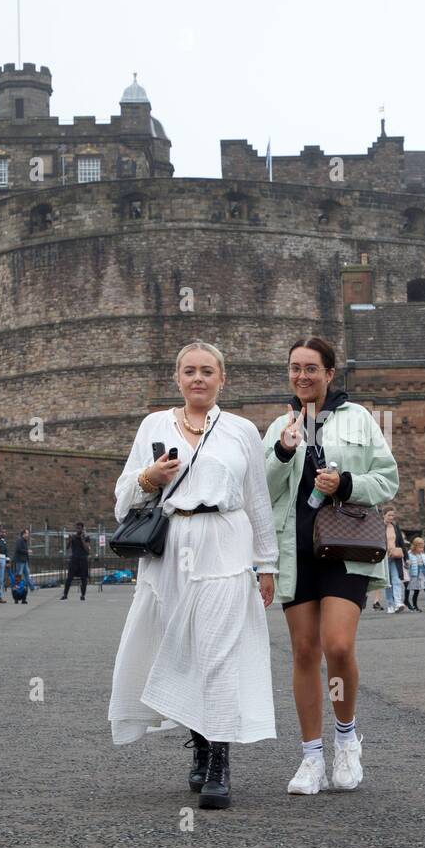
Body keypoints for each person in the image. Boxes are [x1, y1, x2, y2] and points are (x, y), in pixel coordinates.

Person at [108, 340, 278, 811]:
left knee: (218, 652)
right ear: (177, 379)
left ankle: (220, 762)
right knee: (182, 651)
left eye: (207, 371)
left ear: (222, 379)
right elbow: (123, 496)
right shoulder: (154, 425)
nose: (198, 378)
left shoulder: (242, 430)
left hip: (224, 540)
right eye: (190, 371)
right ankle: (200, 746)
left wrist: (267, 564)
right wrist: (149, 478)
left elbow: (257, 500)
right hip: (171, 545)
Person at [264, 336, 399, 796]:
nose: (302, 376)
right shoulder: (278, 424)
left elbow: (387, 480)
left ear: (328, 373)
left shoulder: (359, 418)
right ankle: (310, 757)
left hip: (345, 546)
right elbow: (261, 489)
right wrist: (283, 451)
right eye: (294, 368)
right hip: (294, 548)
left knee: (337, 646)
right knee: (304, 652)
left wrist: (345, 483)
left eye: (311, 368)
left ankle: (346, 740)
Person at [383, 508, 406, 613]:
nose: (391, 517)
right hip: (384, 558)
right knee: (388, 582)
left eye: (392, 515)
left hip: (395, 557)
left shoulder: (395, 527)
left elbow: (401, 542)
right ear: (384, 515)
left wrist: (407, 558)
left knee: (396, 580)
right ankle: (390, 604)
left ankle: (398, 603)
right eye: (389, 515)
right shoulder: (379, 527)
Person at [405, 537, 425, 612]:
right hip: (415, 575)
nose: (421, 549)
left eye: (422, 547)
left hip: (423, 573)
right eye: (420, 548)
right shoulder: (410, 554)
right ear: (415, 546)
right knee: (416, 591)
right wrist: (407, 564)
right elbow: (407, 565)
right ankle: (414, 606)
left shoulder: (422, 554)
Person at [61, 524, 90, 600]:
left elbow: (87, 550)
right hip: (74, 560)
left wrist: (82, 540)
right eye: (77, 528)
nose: (78, 530)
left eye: (80, 528)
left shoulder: (86, 537)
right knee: (69, 578)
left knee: (84, 578)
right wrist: (69, 541)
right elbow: (67, 548)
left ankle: (83, 595)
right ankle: (65, 594)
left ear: (82, 529)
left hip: (83, 560)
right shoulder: (73, 537)